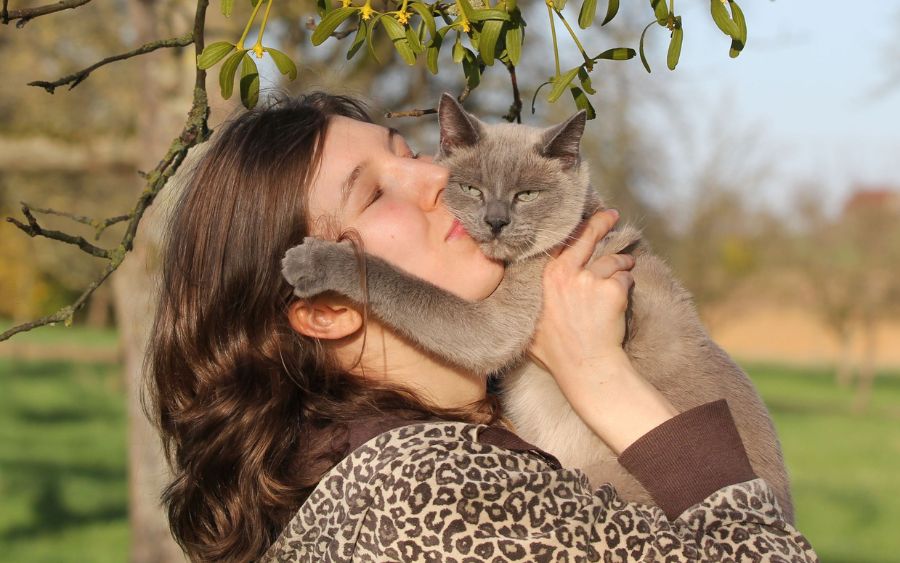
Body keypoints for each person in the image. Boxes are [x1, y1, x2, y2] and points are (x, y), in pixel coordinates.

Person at [146, 92, 818, 562]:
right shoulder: (422, 493)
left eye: (408, 149)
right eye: (376, 192)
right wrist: (601, 375)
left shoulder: (398, 461)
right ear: (324, 304)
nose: (434, 178)